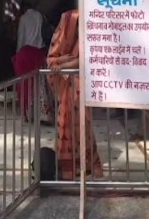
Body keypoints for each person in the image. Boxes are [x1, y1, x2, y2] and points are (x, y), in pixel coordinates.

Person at [46, 9, 103, 180]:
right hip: (69, 89)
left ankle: (85, 166)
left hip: (81, 88)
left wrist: (62, 66)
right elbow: (60, 58)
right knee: (66, 125)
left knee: (82, 126)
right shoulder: (71, 42)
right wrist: (61, 62)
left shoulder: (88, 38)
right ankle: (69, 168)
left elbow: (84, 59)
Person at [11, 1, 51, 122]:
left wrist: (17, 55)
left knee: (24, 83)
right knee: (39, 83)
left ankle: (27, 114)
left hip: (25, 53)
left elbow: (21, 38)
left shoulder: (23, 18)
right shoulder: (39, 16)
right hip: (38, 52)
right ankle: (43, 113)